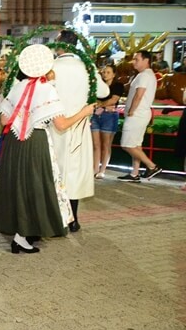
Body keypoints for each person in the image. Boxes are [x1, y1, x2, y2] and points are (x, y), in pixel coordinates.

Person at [0, 45, 94, 253]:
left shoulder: (18, 86)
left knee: (18, 185)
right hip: (35, 142)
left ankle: (21, 231)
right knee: (35, 186)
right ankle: (22, 236)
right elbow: (62, 124)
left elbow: (4, 118)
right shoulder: (46, 89)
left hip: (14, 142)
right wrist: (85, 112)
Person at [49, 30, 110, 232]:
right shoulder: (86, 67)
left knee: (54, 170)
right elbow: (104, 92)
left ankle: (55, 217)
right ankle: (73, 218)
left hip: (55, 123)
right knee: (73, 171)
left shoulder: (53, 67)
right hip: (80, 124)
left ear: (60, 45)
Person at [118, 50, 162, 182]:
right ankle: (134, 173)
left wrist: (132, 110)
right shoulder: (146, 75)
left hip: (137, 114)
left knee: (127, 144)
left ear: (146, 60)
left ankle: (152, 166)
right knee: (136, 145)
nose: (134, 62)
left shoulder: (144, 76)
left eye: (136, 59)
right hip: (141, 113)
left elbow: (139, 95)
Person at [91, 64, 123, 179]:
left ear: (114, 74)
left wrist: (101, 104)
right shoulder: (98, 86)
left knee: (106, 144)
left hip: (109, 116)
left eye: (108, 72)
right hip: (96, 115)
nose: (105, 74)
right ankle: (95, 168)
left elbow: (113, 100)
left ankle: (102, 169)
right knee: (96, 144)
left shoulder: (118, 86)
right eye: (104, 72)